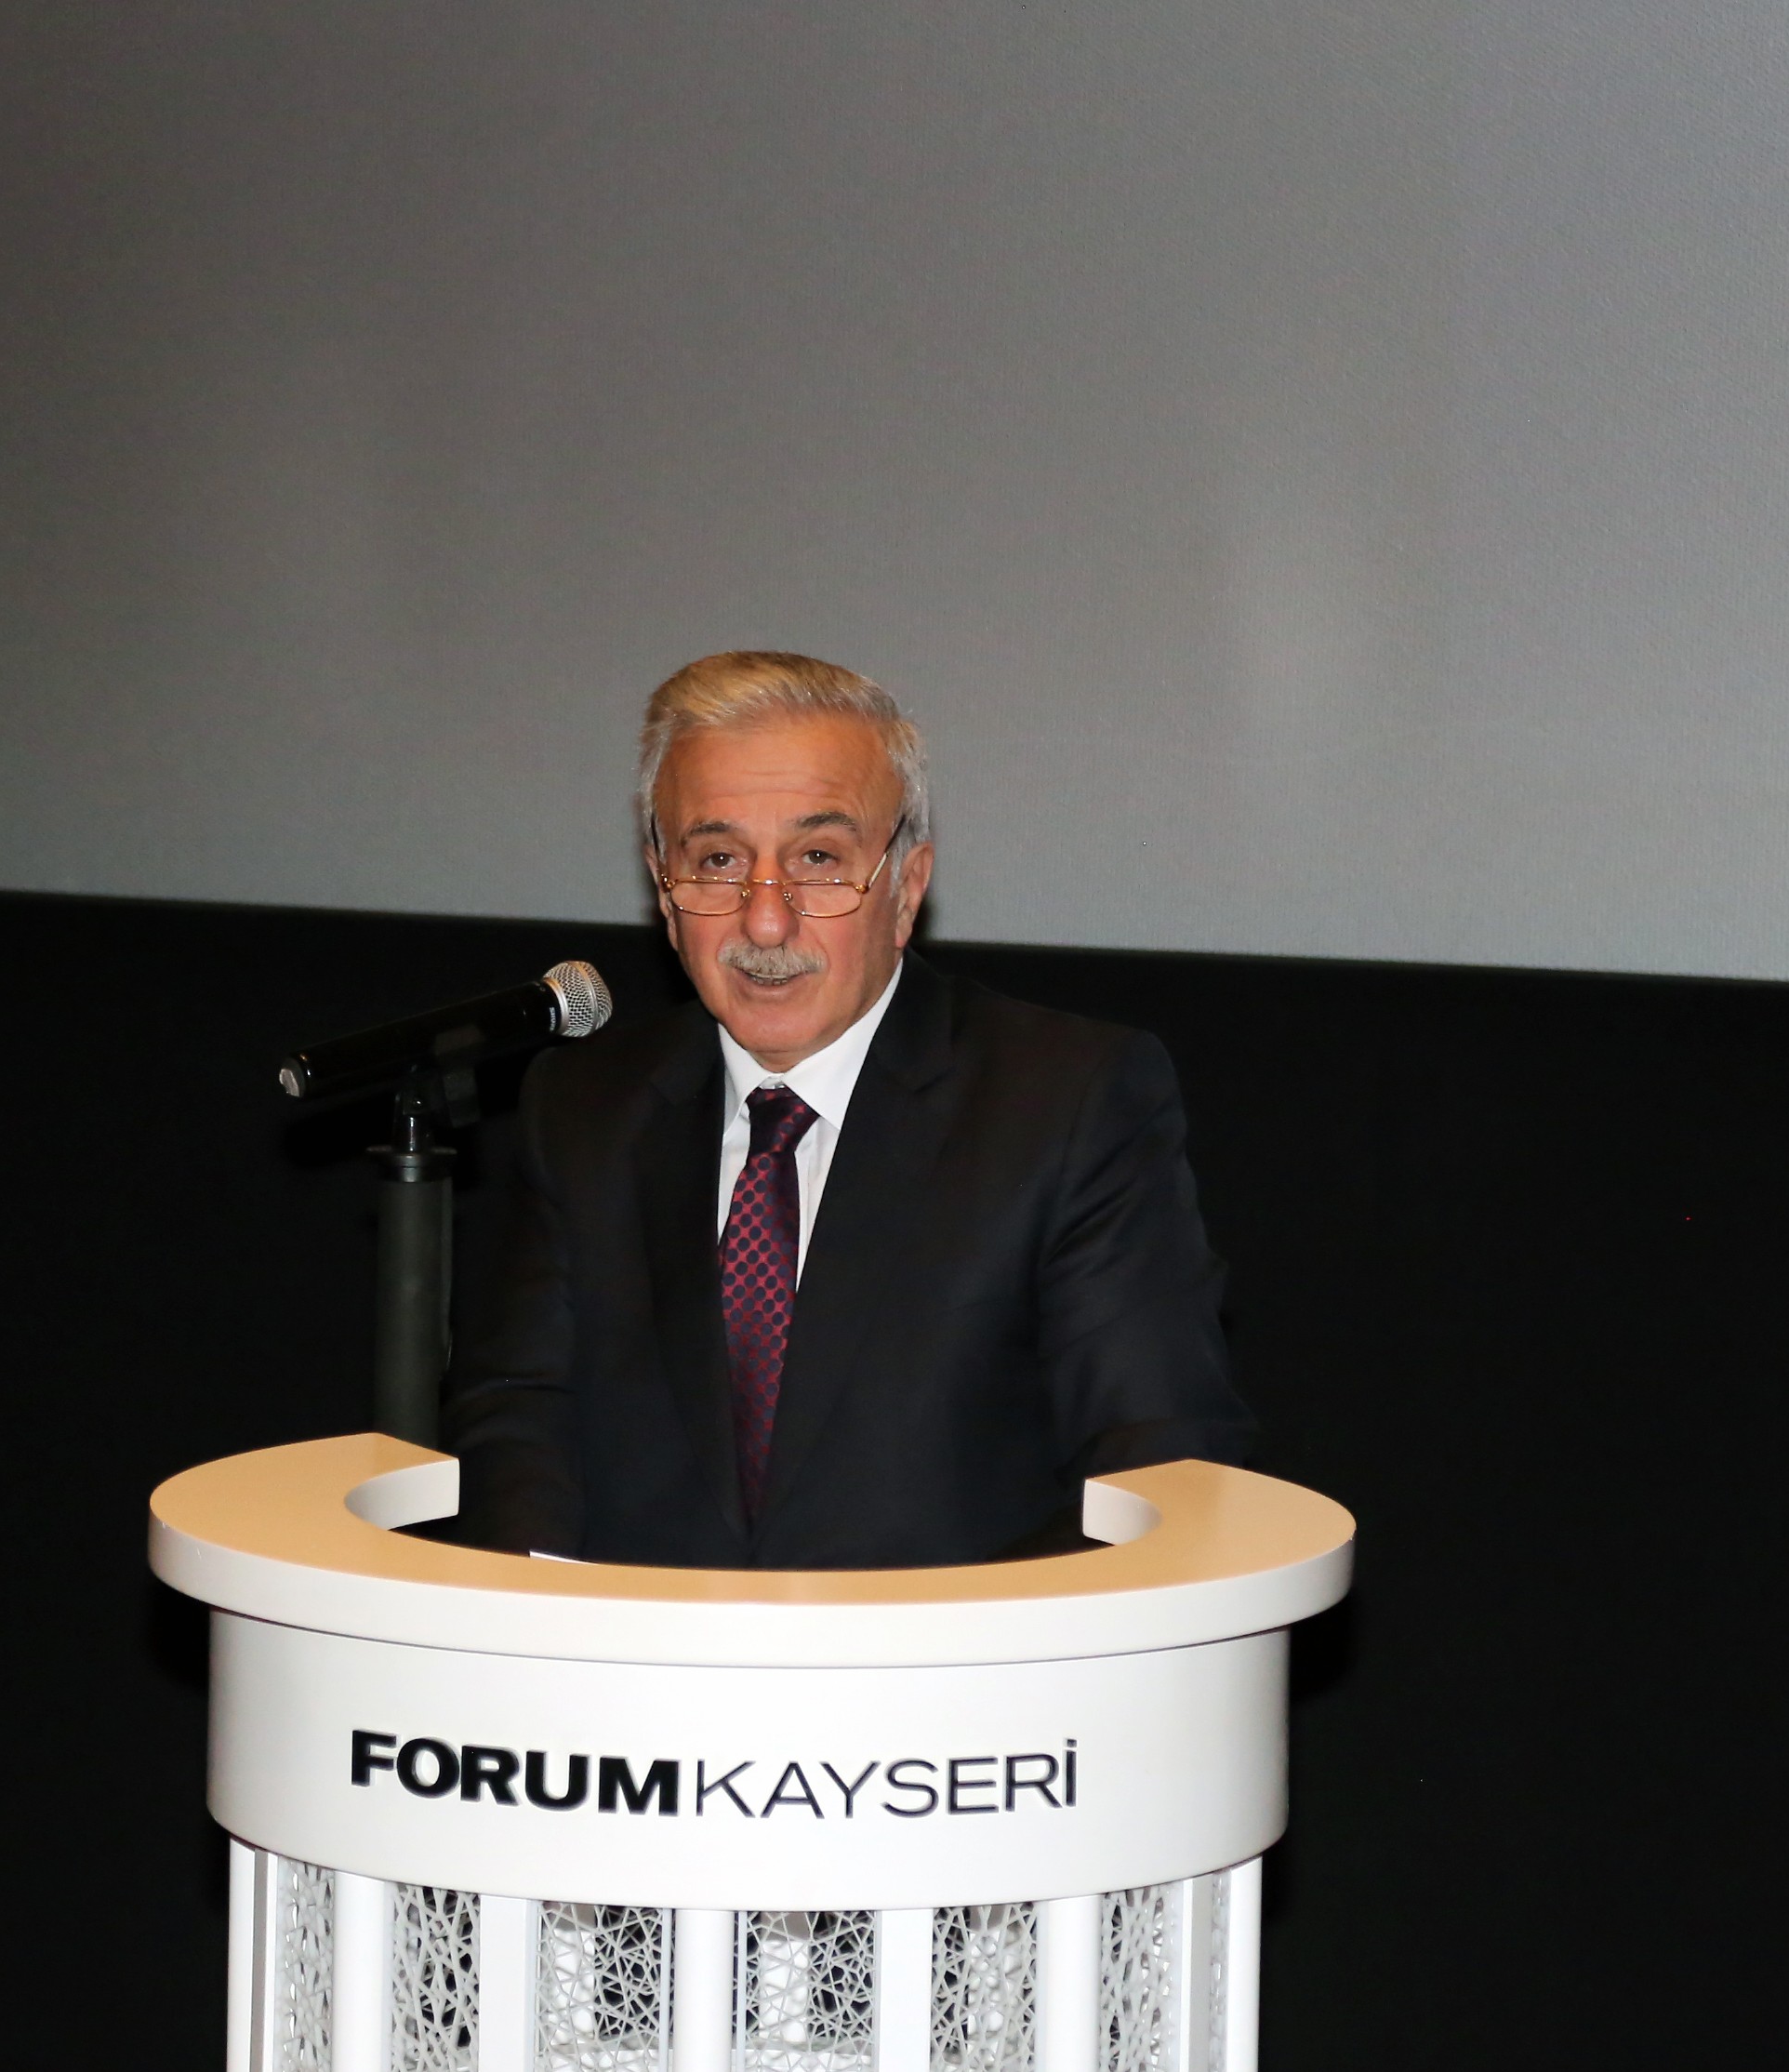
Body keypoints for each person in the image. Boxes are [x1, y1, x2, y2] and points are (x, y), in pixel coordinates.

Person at [444, 651, 1253, 1568]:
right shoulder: (585, 1104)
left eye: (819, 861)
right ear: (664, 891)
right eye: (718, 861)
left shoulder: (1067, 1102)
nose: (765, 921)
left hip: (961, 1651)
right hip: (628, 1649)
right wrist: (550, 1616)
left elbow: (1156, 1462)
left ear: (906, 887)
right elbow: (517, 1412)